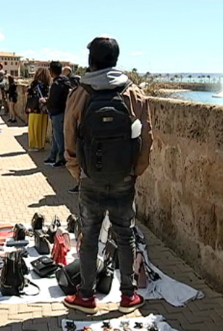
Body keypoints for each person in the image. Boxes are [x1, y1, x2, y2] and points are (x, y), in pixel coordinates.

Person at [62, 35, 153, 315]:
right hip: (124, 180)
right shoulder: (133, 93)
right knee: (125, 236)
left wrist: (79, 172)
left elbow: (69, 138)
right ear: (115, 59)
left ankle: (86, 297)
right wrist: (133, 172)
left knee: (88, 237)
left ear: (92, 61)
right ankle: (128, 297)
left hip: (90, 180)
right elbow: (147, 139)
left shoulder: (79, 93)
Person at [42, 61, 72, 168]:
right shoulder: (65, 81)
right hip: (63, 111)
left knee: (59, 137)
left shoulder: (56, 84)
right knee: (55, 136)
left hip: (57, 113)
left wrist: (45, 101)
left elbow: (54, 100)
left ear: (52, 71)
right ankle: (53, 157)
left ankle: (62, 159)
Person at [26, 68, 50, 151]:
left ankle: (35, 145)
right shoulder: (47, 84)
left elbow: (29, 93)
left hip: (34, 108)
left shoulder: (34, 83)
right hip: (44, 108)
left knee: (34, 127)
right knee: (42, 127)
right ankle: (41, 145)